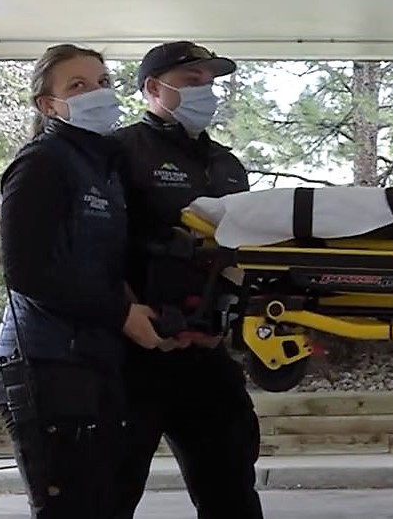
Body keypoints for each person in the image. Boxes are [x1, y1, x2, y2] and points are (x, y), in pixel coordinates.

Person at [0, 44, 171, 518]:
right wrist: (120, 314)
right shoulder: (43, 163)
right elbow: (26, 271)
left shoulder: (102, 167)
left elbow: (102, 264)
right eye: (78, 86)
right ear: (48, 106)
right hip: (46, 364)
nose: (98, 93)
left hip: (91, 361)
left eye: (103, 82)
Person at [111, 41, 265, 519]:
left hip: (205, 353)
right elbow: (93, 247)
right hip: (133, 355)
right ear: (153, 88)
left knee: (232, 488)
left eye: (209, 80)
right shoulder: (118, 151)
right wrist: (125, 310)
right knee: (108, 493)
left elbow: (245, 250)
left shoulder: (226, 164)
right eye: (191, 79)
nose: (206, 89)